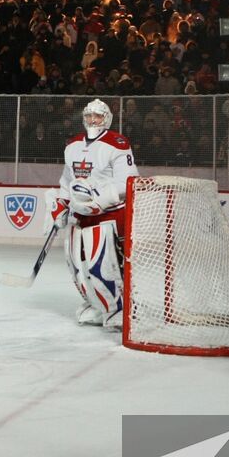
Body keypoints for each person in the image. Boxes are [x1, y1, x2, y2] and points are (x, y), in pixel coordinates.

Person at [44, 99, 137, 330]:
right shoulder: (73, 144)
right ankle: (96, 303)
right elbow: (67, 181)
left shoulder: (117, 143)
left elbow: (127, 182)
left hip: (110, 216)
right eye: (89, 116)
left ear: (107, 119)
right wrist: (61, 205)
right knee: (79, 265)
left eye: (98, 116)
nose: (93, 120)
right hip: (82, 216)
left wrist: (99, 200)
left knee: (105, 264)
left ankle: (118, 308)